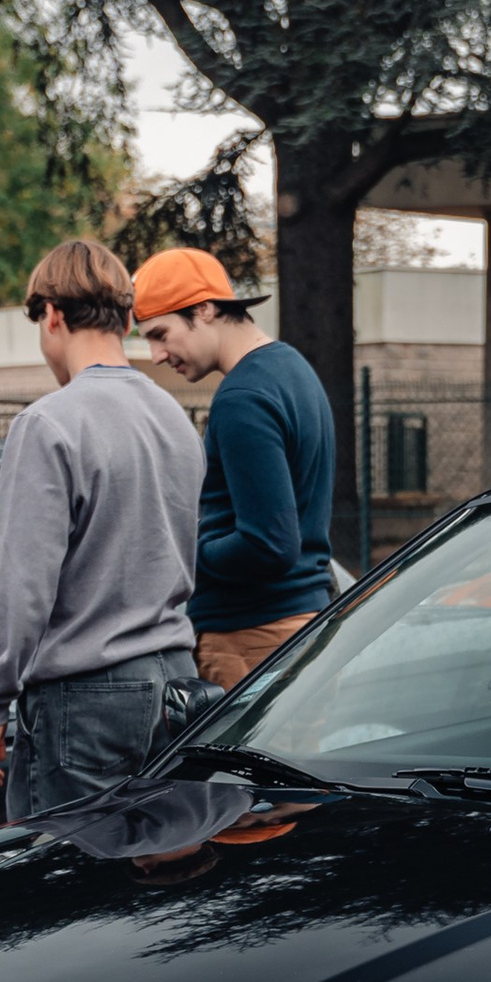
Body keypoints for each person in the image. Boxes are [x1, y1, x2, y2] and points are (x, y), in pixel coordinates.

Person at [0, 236, 206, 821]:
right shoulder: (174, 419)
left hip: (86, 700)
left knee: (66, 869)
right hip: (177, 685)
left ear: (51, 315)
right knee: (153, 864)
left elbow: (21, 589)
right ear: (124, 319)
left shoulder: (48, 423)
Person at [132, 246, 337, 688]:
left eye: (161, 334)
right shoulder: (293, 369)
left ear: (204, 309)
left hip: (252, 639)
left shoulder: (242, 398)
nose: (156, 354)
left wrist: (184, 551)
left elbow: (269, 544)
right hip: (299, 624)